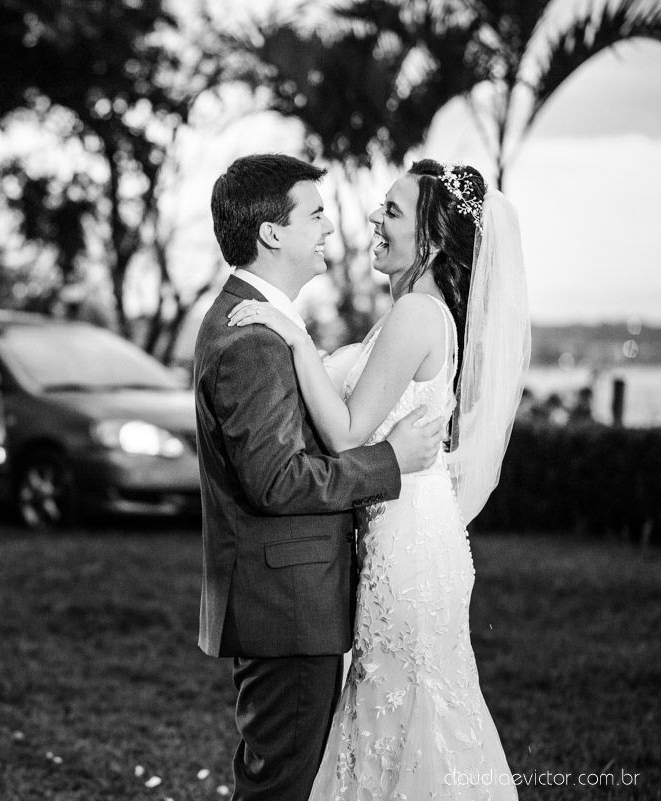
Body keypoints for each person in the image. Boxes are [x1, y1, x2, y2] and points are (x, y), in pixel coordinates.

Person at [228, 158, 529, 800]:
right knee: (394, 714)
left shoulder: (417, 313)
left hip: (406, 547)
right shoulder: (413, 312)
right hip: (399, 529)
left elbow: (345, 433)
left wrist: (294, 339)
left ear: (431, 239)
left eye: (391, 210)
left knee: (414, 712)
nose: (373, 218)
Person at [194, 153, 448, 801]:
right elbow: (278, 482)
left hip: (293, 600)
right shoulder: (252, 338)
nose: (330, 227)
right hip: (287, 607)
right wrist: (390, 461)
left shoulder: (259, 322)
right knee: (280, 788)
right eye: (314, 214)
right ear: (272, 233)